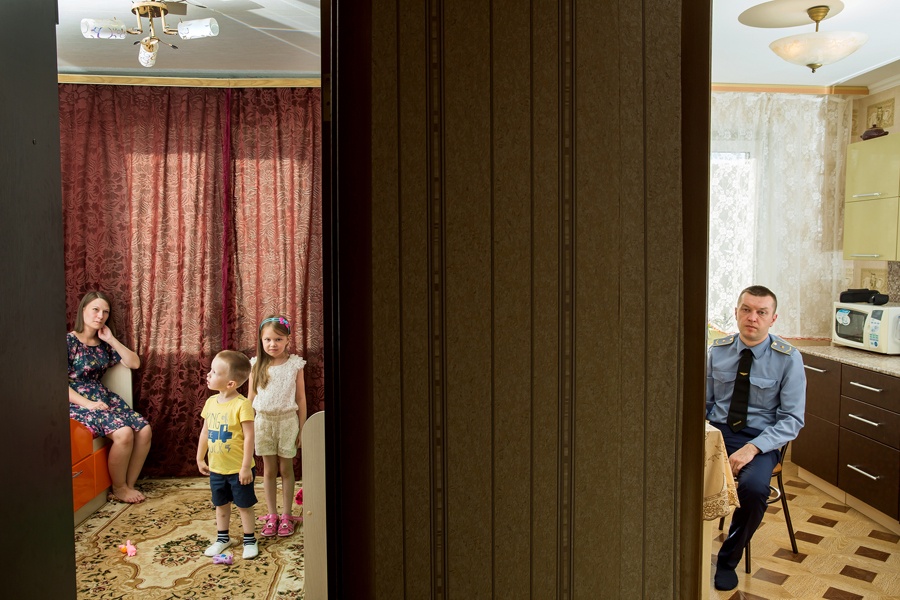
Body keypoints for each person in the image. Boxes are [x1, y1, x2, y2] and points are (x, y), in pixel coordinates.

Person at [706, 285, 806, 591]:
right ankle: (683, 548)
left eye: (761, 312)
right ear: (736, 313)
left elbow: (792, 420)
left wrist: (753, 448)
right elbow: (704, 404)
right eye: (746, 310)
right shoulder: (716, 351)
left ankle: (727, 560)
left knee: (753, 487)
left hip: (762, 440)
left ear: (772, 319)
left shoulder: (788, 359)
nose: (753, 317)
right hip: (718, 433)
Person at [68, 290, 152, 504]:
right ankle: (119, 487)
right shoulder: (69, 341)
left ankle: (129, 484)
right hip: (76, 400)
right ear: (83, 310)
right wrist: (88, 404)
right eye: (95, 309)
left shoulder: (103, 342)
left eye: (105, 312)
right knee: (124, 433)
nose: (100, 316)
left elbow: (134, 363)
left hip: (102, 396)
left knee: (144, 430)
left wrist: (111, 339)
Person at [248, 315, 307, 538]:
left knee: (286, 469)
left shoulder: (295, 365)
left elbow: (301, 399)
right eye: (268, 340)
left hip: (287, 422)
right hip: (263, 423)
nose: (273, 344)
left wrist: (302, 428)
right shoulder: (256, 365)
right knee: (270, 470)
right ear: (261, 341)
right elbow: (250, 399)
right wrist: (248, 429)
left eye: (278, 339)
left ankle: (287, 515)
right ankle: (272, 515)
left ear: (288, 340)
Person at [196, 350, 259, 559]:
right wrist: (199, 457)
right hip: (217, 468)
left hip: (238, 470)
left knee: (244, 505)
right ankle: (223, 538)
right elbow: (205, 432)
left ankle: (249, 539)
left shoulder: (242, 405)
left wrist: (244, 467)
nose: (208, 374)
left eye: (214, 372)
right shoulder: (210, 403)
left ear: (230, 383)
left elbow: (249, 437)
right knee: (220, 505)